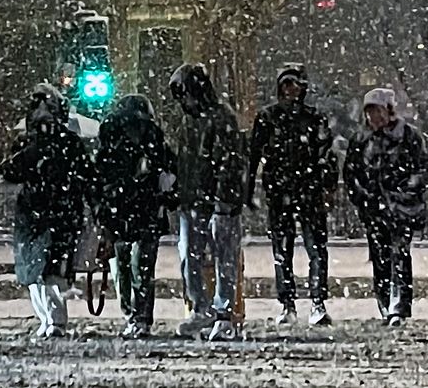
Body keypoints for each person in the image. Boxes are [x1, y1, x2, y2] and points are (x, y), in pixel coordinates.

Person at [247, 64, 337, 326]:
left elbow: (327, 156)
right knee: (283, 251)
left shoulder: (313, 119)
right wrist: (249, 188)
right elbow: (254, 156)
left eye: (294, 84)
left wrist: (327, 186)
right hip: (281, 191)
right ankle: (288, 303)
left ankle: (317, 301)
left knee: (315, 249)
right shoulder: (269, 118)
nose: (290, 90)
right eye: (286, 84)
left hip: (307, 192)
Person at [2, 83, 93, 339]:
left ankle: (56, 320)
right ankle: (46, 318)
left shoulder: (68, 144)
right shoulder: (29, 144)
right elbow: (10, 171)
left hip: (58, 215)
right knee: (35, 272)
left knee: (53, 271)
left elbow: (86, 177)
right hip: (35, 215)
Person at [169, 62, 247, 342]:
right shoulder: (192, 121)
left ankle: (222, 312)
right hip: (195, 202)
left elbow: (229, 162)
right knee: (192, 254)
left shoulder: (218, 118)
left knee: (221, 257)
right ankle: (203, 307)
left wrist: (222, 198)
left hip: (215, 203)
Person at [343, 88, 428, 327]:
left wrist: (407, 190)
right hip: (374, 209)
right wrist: (363, 197)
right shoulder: (361, 140)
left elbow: (423, 167)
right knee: (380, 258)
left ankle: (399, 305)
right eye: (370, 112)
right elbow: (351, 173)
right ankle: (385, 304)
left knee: (400, 255)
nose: (374, 117)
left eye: (378, 111)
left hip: (402, 208)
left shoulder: (408, 137)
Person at [92, 94, 177, 340]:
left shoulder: (135, 144)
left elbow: (99, 179)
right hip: (135, 212)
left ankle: (135, 316)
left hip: (133, 212)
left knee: (130, 268)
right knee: (132, 268)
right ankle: (136, 317)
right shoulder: (147, 142)